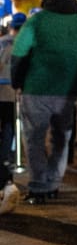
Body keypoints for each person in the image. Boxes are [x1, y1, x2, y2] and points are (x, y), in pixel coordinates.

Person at [10, 0, 77, 204]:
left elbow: (19, 54)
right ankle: (54, 182)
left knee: (35, 138)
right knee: (62, 138)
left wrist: (17, 82)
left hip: (36, 87)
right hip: (68, 90)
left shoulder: (37, 20)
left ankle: (39, 184)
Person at [0, 13, 26, 172]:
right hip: (16, 90)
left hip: (2, 89)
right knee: (12, 125)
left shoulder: (2, 42)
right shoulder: (25, 44)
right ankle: (9, 157)